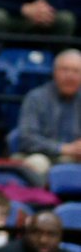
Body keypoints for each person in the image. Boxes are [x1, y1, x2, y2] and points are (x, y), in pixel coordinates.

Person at [18, 49, 81, 181]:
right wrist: (63, 148)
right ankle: (41, 200)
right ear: (54, 72)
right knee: (37, 163)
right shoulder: (36, 97)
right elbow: (27, 138)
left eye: (76, 71)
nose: (70, 76)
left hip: (75, 158)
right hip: (41, 156)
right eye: (65, 69)